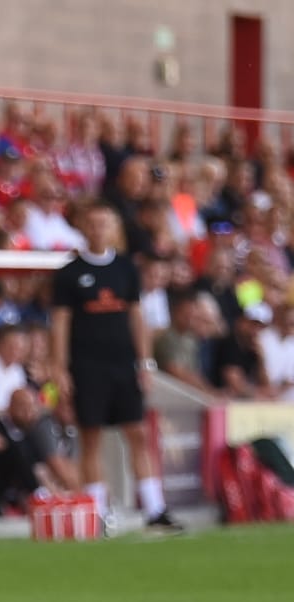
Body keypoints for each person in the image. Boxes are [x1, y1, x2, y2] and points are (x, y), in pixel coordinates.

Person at [50, 200, 183, 533]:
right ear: (83, 226)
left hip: (123, 363)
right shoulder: (69, 272)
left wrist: (145, 361)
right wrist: (60, 367)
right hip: (87, 364)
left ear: (113, 228)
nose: (98, 229)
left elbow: (137, 317)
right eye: (92, 223)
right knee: (91, 436)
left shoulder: (126, 268)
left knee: (137, 432)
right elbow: (61, 323)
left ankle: (155, 508)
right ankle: (96, 512)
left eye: (104, 223)